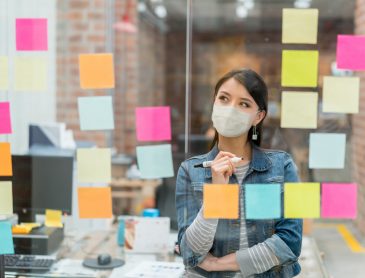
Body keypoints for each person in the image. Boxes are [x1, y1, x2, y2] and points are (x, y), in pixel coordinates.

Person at [175, 68, 303, 277]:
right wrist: (217, 194)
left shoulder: (282, 167)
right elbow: (190, 253)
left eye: (244, 104)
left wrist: (217, 264)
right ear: (214, 104)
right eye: (224, 99)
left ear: (258, 116)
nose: (230, 109)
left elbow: (289, 244)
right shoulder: (190, 171)